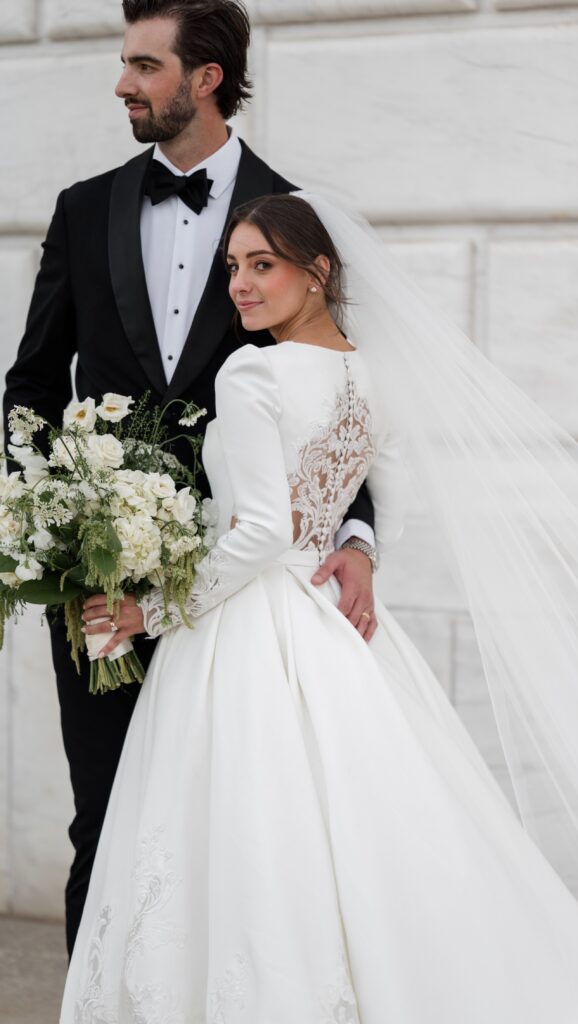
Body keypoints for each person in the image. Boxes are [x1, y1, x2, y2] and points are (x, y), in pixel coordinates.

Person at [61, 193, 578, 1021]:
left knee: (246, 832)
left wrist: (154, 612)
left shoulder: (252, 371)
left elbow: (254, 532)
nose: (240, 286)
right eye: (232, 267)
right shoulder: (371, 374)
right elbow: (389, 494)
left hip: (249, 626)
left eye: (261, 265)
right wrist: (360, 551)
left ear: (317, 273)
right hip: (325, 619)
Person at [2, 0, 376, 958]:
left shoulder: (292, 217)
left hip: (242, 601)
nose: (122, 83)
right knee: (107, 817)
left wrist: (355, 534)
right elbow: (33, 385)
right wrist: (48, 519)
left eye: (143, 65)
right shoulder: (84, 209)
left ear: (204, 78)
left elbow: (332, 385)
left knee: (243, 829)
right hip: (98, 580)